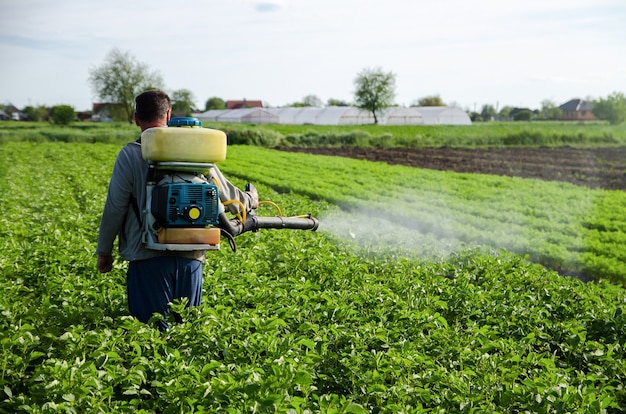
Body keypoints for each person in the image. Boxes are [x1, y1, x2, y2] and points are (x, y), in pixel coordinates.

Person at [96, 89, 257, 329]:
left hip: (147, 257)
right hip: (191, 256)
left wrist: (104, 251)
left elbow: (115, 208)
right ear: (169, 114)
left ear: (136, 118)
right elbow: (225, 194)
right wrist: (250, 199)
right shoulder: (193, 148)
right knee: (187, 334)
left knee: (151, 334)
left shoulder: (130, 154)